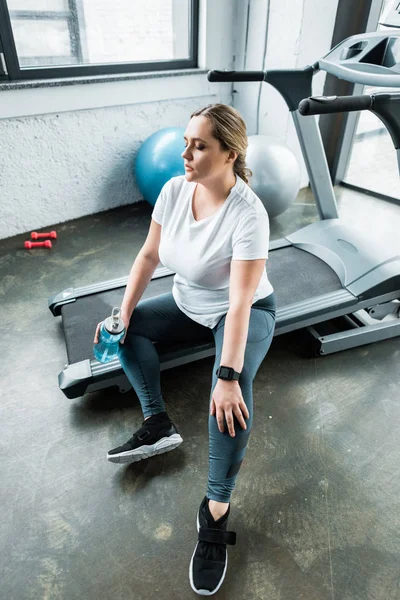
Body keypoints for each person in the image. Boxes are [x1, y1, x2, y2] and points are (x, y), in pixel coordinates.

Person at [94, 103, 276, 596]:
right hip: (187, 304)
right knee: (127, 333)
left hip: (243, 314)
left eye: (200, 145)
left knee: (229, 403)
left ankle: (215, 512)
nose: (186, 154)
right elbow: (149, 255)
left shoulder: (248, 213)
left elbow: (239, 302)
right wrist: (123, 312)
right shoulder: (175, 190)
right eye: (186, 141)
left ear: (229, 154)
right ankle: (158, 423)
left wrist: (228, 375)